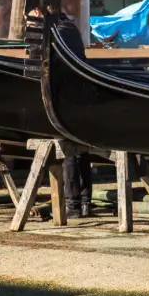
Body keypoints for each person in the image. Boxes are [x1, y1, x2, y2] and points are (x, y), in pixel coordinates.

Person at [54, 11, 93, 217]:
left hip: (65, 98)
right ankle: (85, 203)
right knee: (81, 152)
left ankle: (72, 205)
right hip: (80, 96)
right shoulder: (71, 28)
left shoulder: (54, 30)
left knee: (69, 150)